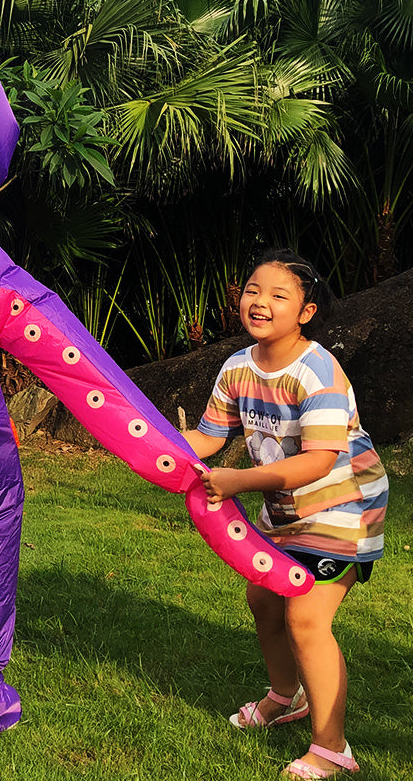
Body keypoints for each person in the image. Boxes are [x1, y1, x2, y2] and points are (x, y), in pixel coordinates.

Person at [184, 250, 388, 779]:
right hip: (285, 507)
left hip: (344, 504)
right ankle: (286, 695)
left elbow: (320, 459)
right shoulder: (236, 368)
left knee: (305, 617)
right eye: (253, 289)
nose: (261, 301)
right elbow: (207, 437)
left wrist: (236, 481)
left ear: (306, 311)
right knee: (263, 599)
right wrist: (150, 446)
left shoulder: (315, 369)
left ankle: (332, 748)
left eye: (279, 295)